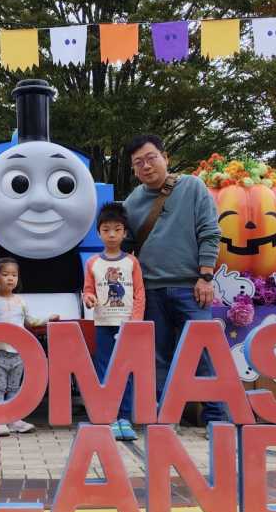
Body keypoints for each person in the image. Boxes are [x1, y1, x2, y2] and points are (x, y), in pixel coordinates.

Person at [121, 134, 226, 428]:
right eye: (138, 163)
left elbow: (210, 232)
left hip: (192, 288)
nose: (146, 166)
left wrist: (206, 276)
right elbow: (125, 248)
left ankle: (216, 417)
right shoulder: (132, 202)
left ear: (165, 157)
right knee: (157, 357)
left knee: (204, 352)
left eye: (151, 158)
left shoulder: (192, 187)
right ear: (134, 169)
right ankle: (164, 419)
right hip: (151, 291)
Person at [81, 202, 145, 441]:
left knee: (125, 370)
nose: (111, 235)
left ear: (125, 233)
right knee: (104, 369)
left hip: (127, 325)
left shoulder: (132, 262)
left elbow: (139, 292)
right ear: (98, 233)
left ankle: (124, 417)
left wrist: (135, 321)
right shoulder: (92, 263)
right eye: (106, 230)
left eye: (117, 230)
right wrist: (88, 298)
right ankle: (107, 416)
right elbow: (88, 289)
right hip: (103, 324)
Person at [0, 258, 56, 437]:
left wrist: (47, 319)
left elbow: (30, 321)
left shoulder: (21, 301)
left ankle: (14, 419)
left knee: (14, 387)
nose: (10, 278)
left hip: (19, 352)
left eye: (14, 275)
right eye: (5, 274)